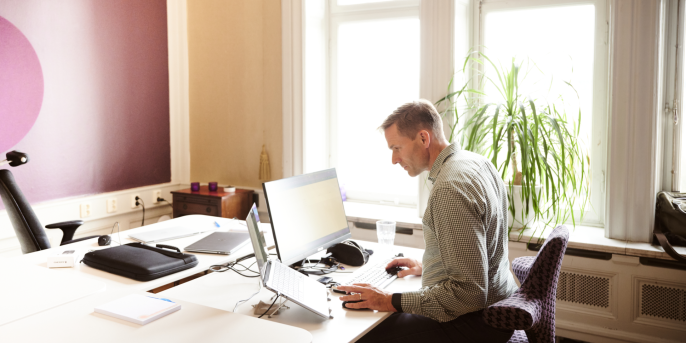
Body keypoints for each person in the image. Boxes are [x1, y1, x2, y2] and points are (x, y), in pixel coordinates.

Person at [336, 100, 519, 343]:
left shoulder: (450, 188)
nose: (393, 159)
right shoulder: (475, 163)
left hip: (475, 322)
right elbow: (481, 249)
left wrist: (388, 300)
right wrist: (434, 264)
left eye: (397, 148)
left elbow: (470, 294)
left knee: (364, 333)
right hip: (496, 308)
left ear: (423, 138)